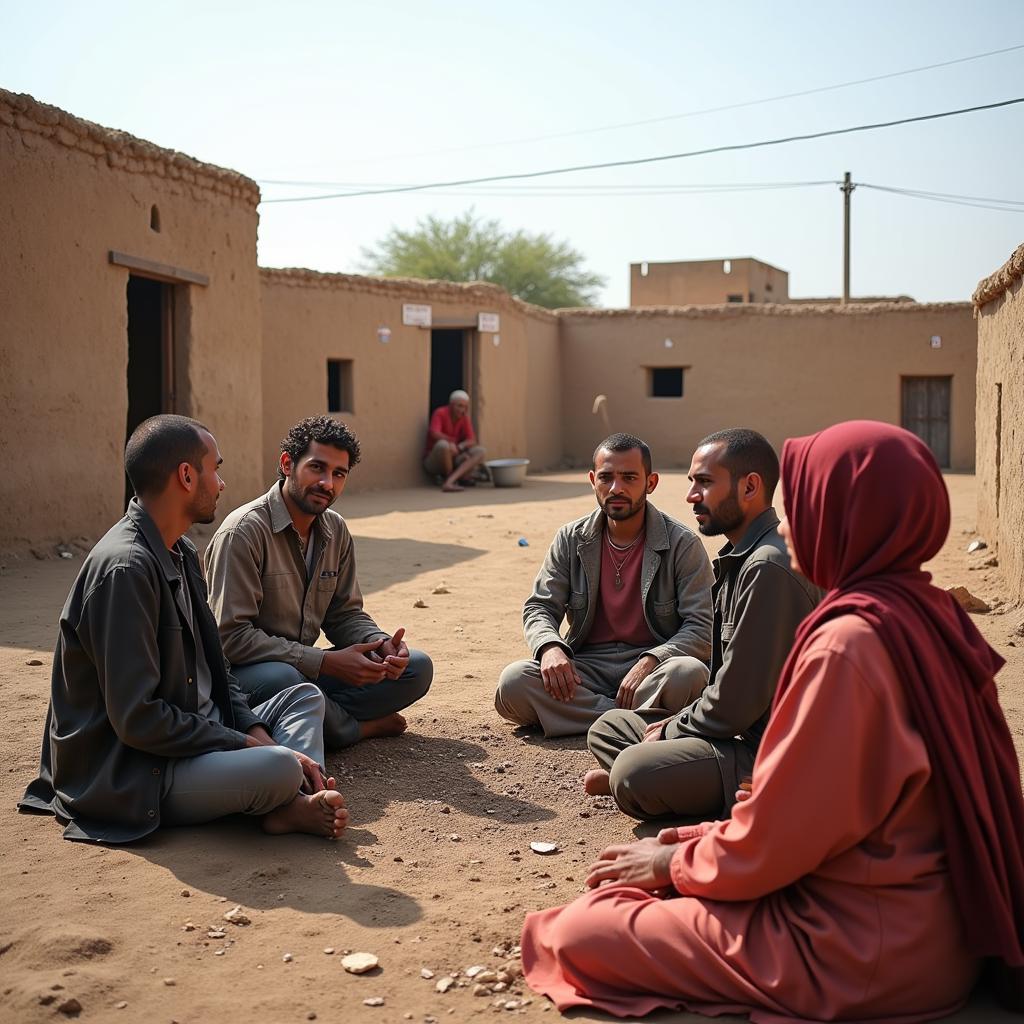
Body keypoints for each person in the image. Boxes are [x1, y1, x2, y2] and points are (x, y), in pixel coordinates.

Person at [519, 421, 1024, 1021]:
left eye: (807, 505)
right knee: (598, 732)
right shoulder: (931, 614)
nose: (788, 524)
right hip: (928, 924)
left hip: (858, 946)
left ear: (846, 518)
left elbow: (783, 833)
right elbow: (816, 808)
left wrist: (671, 860)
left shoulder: (848, 644)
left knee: (584, 930)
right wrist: (692, 837)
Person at [18, 415, 347, 843]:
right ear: (187, 476)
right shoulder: (126, 570)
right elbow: (138, 720)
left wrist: (255, 731)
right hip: (140, 768)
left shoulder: (181, 550)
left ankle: (290, 800)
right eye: (217, 468)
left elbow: (219, 667)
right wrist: (247, 746)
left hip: (197, 729)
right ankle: (289, 798)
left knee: (302, 697)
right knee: (280, 766)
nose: (222, 484)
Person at [584, 429, 821, 821]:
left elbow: (735, 704)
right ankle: (661, 775)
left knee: (633, 771)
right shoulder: (742, 556)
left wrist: (671, 730)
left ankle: (654, 780)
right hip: (732, 730)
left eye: (705, 483)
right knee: (609, 726)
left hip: (769, 750)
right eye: (693, 482)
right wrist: (675, 726)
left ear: (750, 487)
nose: (692, 495)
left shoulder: (767, 566)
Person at [205, 416, 433, 749]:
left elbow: (344, 614)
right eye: (317, 468)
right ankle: (354, 729)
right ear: (287, 464)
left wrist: (380, 644)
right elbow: (229, 639)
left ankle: (318, 717)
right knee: (286, 679)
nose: (327, 483)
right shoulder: (243, 532)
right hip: (245, 681)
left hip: (305, 671)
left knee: (416, 668)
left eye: (338, 474)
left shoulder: (335, 530)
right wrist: (325, 662)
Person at [495, 433, 713, 737]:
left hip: (653, 671)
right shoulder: (571, 539)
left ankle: (590, 720)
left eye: (629, 477)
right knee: (514, 683)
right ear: (592, 480)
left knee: (688, 675)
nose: (616, 488)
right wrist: (550, 648)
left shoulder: (682, 544)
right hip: (585, 671)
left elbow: (702, 627)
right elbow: (540, 607)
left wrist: (652, 659)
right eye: (606, 477)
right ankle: (634, 723)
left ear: (650, 483)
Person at [423, 389, 486, 492]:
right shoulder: (440, 413)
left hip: (454, 457)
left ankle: (451, 480)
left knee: (480, 451)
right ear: (451, 405)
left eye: (465, 407)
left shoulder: (464, 417)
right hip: (435, 462)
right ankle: (451, 478)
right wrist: (450, 442)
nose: (462, 410)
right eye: (459, 406)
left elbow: (472, 440)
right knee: (443, 445)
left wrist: (460, 446)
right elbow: (434, 433)